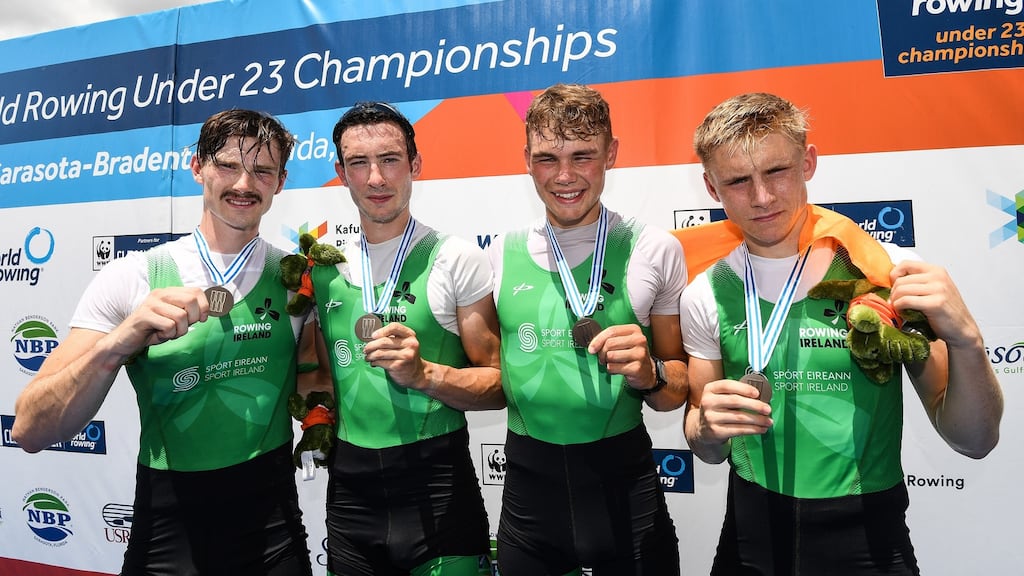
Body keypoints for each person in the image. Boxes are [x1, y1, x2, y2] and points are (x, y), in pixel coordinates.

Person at [676, 92, 1004, 575]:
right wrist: (703, 427)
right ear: (710, 186)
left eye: (777, 171)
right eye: (738, 181)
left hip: (868, 542)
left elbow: (975, 440)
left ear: (808, 162)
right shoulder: (704, 292)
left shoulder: (883, 272)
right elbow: (705, 447)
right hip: (750, 541)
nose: (762, 197)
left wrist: (968, 341)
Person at [12, 109, 314, 575]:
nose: (244, 183)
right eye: (228, 165)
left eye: (262, 170)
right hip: (168, 533)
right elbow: (30, 429)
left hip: (272, 534)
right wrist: (121, 342)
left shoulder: (300, 281)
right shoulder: (132, 277)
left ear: (281, 182)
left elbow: (327, 379)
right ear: (197, 167)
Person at [486, 83, 689, 575]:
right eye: (547, 158)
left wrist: (652, 373)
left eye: (583, 156)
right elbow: (488, 370)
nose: (565, 176)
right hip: (528, 511)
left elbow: (678, 387)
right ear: (526, 160)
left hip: (628, 501)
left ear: (611, 154)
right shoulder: (497, 252)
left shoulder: (653, 248)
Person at [308, 101, 503, 575]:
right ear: (341, 172)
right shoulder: (323, 267)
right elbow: (319, 375)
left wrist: (424, 374)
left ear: (414, 165)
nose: (376, 178)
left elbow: (500, 385)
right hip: (351, 499)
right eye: (359, 163)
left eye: (390, 159)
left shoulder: (455, 258)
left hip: (438, 491)